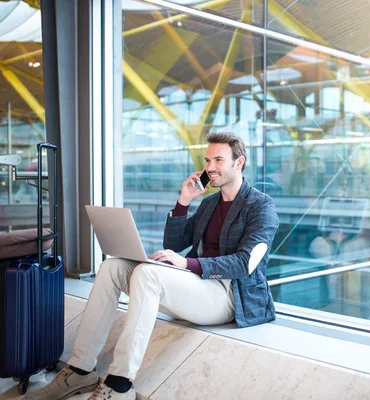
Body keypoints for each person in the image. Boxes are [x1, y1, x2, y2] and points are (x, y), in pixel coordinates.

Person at [27, 133, 279, 400]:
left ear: (239, 163)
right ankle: (80, 369)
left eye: (219, 160)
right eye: (207, 160)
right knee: (113, 267)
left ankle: (119, 385)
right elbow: (175, 242)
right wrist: (183, 202)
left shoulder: (261, 206)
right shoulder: (209, 204)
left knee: (148, 274)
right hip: (198, 287)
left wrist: (186, 263)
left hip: (229, 296)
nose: (210, 167)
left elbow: (246, 263)